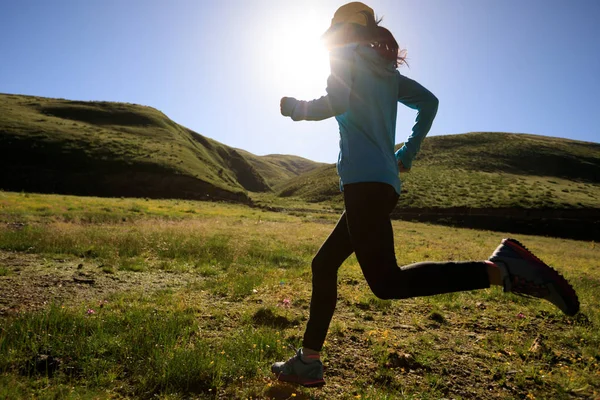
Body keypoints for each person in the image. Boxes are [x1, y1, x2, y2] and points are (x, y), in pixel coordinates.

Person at [272, 2, 579, 387]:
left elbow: (335, 103)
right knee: (324, 264)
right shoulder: (384, 72)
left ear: (341, 33)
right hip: (382, 184)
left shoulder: (343, 59)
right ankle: (308, 360)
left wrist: (294, 108)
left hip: (364, 186)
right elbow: (429, 103)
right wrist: (408, 152)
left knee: (387, 283)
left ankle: (503, 270)